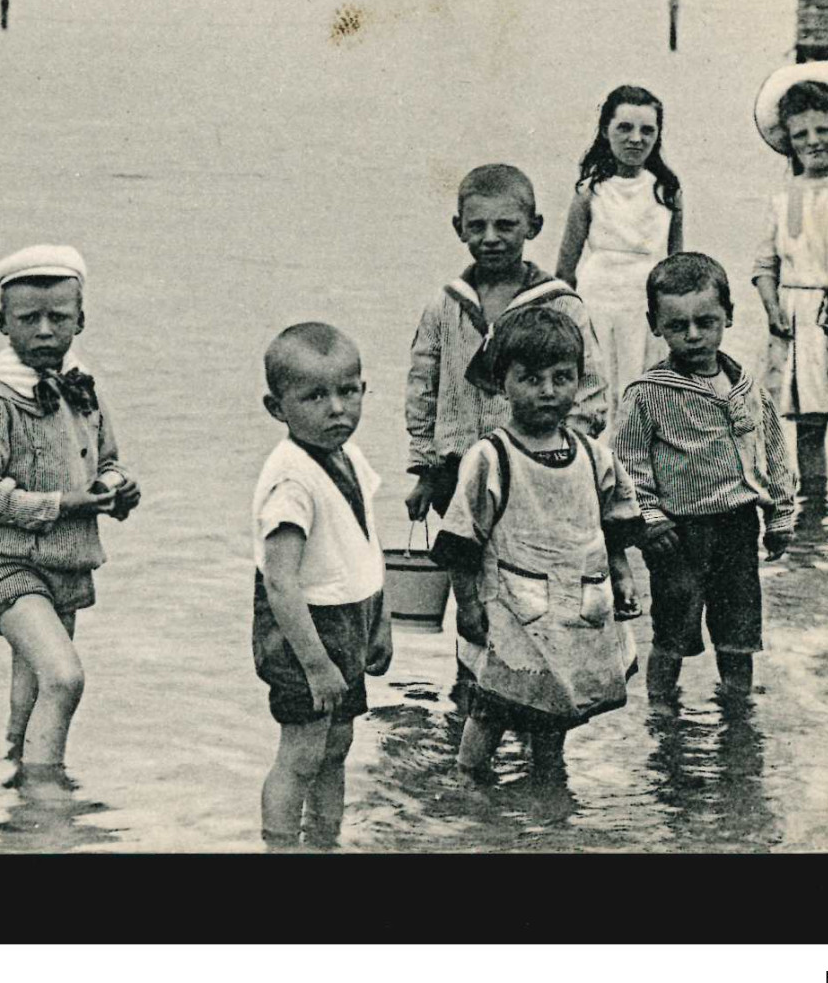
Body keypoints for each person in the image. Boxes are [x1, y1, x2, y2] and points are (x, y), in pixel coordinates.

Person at [405, 164, 608, 697]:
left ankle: (537, 695)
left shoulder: (559, 303)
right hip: (458, 474)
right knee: (468, 593)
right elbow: (421, 386)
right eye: (477, 227)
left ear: (533, 226)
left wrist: (557, 453)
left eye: (505, 225)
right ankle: (471, 690)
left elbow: (590, 392)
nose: (490, 238)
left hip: (531, 479)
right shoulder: (445, 304)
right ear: (459, 228)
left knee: (532, 588)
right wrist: (424, 468)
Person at [0, 245, 140, 783]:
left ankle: (18, 790)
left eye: (59, 317)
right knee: (64, 677)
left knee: (31, 687)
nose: (45, 330)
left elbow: (109, 461)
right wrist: (66, 504)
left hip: (65, 564)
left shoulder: (82, 386)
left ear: (81, 319)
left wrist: (117, 489)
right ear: (2, 323)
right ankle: (47, 796)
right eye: (28, 319)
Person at [430, 307, 643, 780]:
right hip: (511, 605)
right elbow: (461, 539)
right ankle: (469, 781)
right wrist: (466, 604)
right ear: (502, 382)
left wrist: (623, 575)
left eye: (561, 377)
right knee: (493, 703)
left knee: (558, 701)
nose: (547, 391)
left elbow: (614, 523)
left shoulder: (592, 454)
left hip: (575, 604)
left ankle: (549, 782)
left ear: (578, 380)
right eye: (530, 378)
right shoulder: (492, 456)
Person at [612, 253, 796, 713]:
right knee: (673, 631)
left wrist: (780, 516)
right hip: (679, 534)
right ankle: (662, 714)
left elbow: (772, 453)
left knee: (739, 634)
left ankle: (738, 715)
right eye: (678, 325)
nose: (693, 335)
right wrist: (649, 521)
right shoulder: (647, 393)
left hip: (738, 527)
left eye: (706, 321)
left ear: (729, 316)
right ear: (655, 324)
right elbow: (627, 464)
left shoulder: (748, 388)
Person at [252, 323, 391, 848]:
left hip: (349, 617)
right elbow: (280, 583)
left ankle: (326, 840)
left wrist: (382, 622)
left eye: (349, 391)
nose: (337, 409)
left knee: (338, 745)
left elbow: (365, 543)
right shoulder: (291, 479)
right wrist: (314, 663)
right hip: (304, 632)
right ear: (277, 407)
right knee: (302, 751)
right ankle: (281, 844)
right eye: (315, 396)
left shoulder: (348, 456)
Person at [750, 62, 828, 500]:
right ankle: (813, 517)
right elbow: (765, 264)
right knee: (809, 427)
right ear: (789, 143)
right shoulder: (782, 198)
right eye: (802, 135)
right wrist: (771, 306)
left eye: (823, 130)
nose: (814, 142)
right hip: (800, 321)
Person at [556, 85, 685, 402]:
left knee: (645, 390)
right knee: (598, 389)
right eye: (624, 128)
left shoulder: (667, 192)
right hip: (598, 300)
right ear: (605, 130)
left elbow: (677, 265)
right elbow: (565, 269)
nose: (636, 139)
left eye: (647, 130)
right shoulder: (590, 192)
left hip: (646, 304)